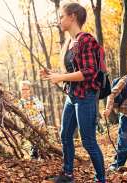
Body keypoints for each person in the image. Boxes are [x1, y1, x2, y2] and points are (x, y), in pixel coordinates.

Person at [40, 2, 105, 182]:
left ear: (72, 16)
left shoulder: (86, 39)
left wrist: (61, 78)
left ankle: (101, 179)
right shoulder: (70, 42)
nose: (59, 20)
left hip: (86, 97)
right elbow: (72, 71)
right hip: (72, 96)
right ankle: (68, 175)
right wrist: (53, 74)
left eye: (62, 16)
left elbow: (90, 71)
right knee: (65, 135)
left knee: (88, 142)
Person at [17, 80, 45, 159]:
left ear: (30, 90)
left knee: (41, 142)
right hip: (30, 126)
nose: (24, 91)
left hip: (40, 124)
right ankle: (34, 156)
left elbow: (41, 107)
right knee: (33, 142)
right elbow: (22, 114)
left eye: (26, 89)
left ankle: (42, 156)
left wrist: (31, 107)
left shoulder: (34, 99)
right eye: (22, 89)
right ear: (20, 90)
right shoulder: (20, 103)